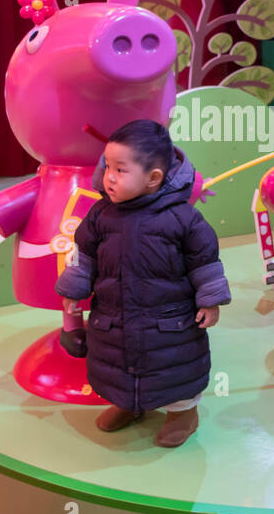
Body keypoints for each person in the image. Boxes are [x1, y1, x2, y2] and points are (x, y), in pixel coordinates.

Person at [56, 119, 231, 448]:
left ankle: (183, 413)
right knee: (117, 363)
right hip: (114, 315)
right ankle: (127, 403)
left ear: (154, 179)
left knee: (173, 368)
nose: (109, 176)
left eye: (120, 170)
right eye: (107, 165)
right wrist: (73, 288)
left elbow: (205, 260)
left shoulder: (182, 218)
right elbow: (83, 255)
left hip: (171, 320)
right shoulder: (100, 216)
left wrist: (210, 299)